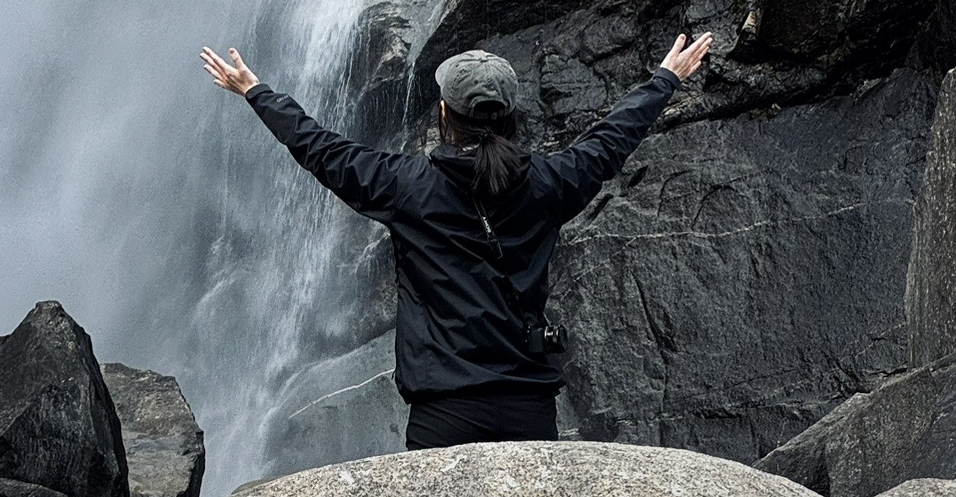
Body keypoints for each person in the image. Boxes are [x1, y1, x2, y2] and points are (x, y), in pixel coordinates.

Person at [200, 29, 713, 450]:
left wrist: (255, 91)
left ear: (444, 114)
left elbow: (322, 150)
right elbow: (609, 141)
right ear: (512, 118)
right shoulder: (551, 183)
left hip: (443, 416)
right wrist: (664, 79)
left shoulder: (405, 186)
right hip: (529, 410)